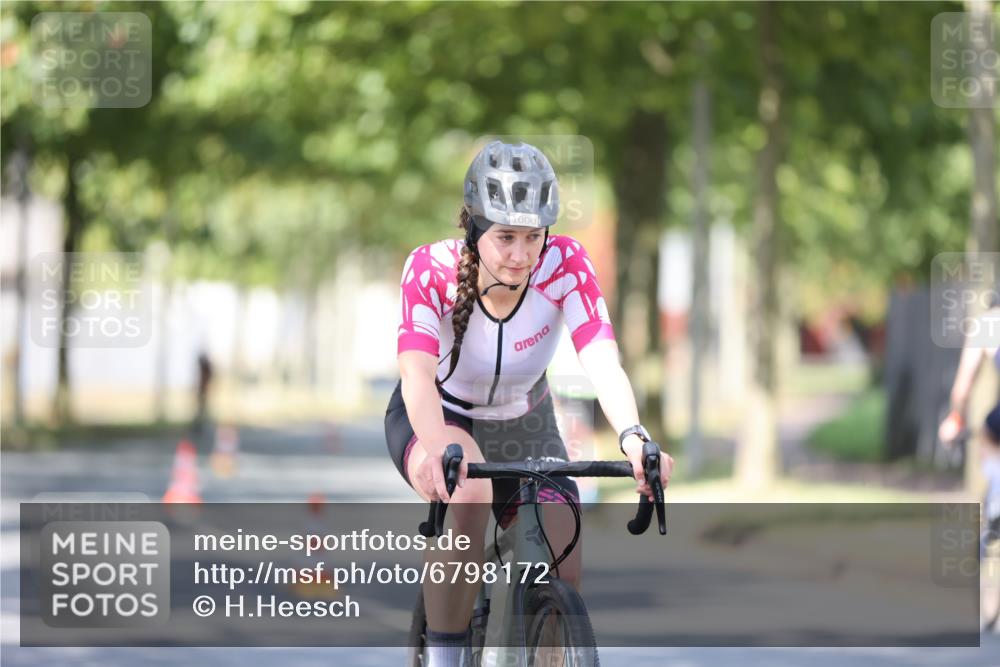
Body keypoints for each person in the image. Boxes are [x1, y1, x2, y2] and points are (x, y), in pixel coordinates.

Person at [384, 140, 673, 667]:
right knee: (469, 490)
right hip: (439, 413)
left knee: (563, 549)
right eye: (506, 237)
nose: (521, 254)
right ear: (473, 228)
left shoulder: (566, 263)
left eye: (533, 237)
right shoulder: (430, 269)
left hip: (526, 417)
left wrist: (635, 436)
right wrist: (434, 449)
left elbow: (602, 359)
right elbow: (416, 376)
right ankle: (447, 657)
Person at [939, 304, 1000, 527]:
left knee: (987, 432)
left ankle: (998, 494)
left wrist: (955, 419)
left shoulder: (987, 324)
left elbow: (962, 387)